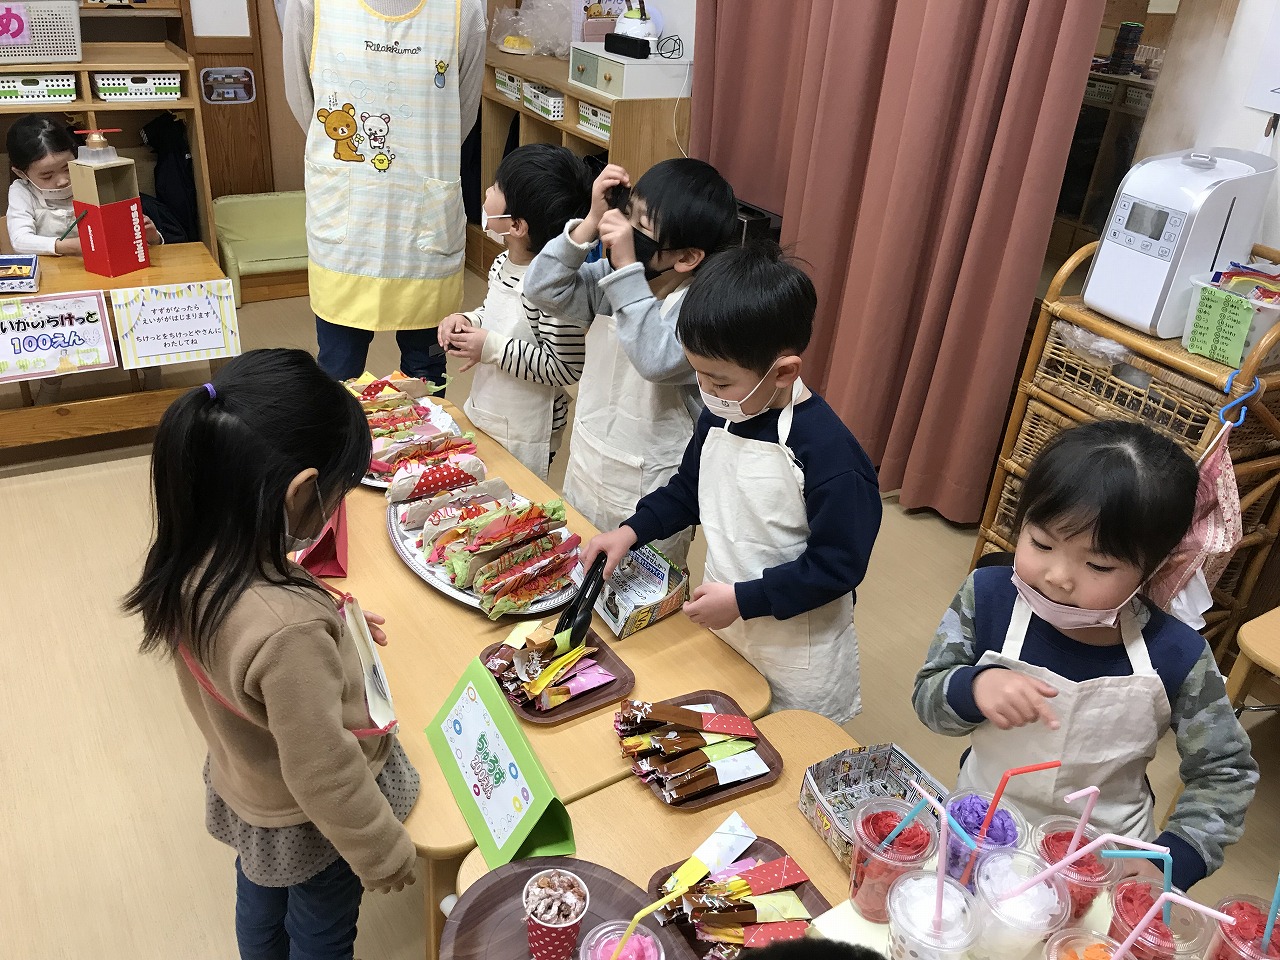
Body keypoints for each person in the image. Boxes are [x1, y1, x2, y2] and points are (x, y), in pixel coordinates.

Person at [124, 349, 419, 958]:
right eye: (336, 494)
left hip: (249, 789)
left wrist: (335, 624)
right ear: (301, 492)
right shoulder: (288, 633)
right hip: (308, 821)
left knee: (260, 903)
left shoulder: (194, 556)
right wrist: (383, 852)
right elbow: (325, 771)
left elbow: (249, 649)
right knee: (321, 931)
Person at [912, 420, 1257, 890]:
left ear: (1155, 567)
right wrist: (972, 687)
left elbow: (1226, 772)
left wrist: (1174, 860)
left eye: (1098, 564)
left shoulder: (1177, 653)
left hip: (1102, 863)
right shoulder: (987, 596)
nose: (1058, 576)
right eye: (1041, 543)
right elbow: (928, 697)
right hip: (981, 831)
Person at [584, 242, 882, 723]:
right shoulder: (723, 415)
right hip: (729, 622)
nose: (707, 392)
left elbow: (837, 566)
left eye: (720, 382)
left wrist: (745, 600)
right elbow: (688, 490)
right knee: (726, 729)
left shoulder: (830, 455)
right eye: (698, 375)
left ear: (783, 372)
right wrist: (631, 531)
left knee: (787, 746)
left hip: (796, 648)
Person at [523, 158, 738, 569]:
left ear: (686, 257)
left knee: (640, 592)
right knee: (574, 568)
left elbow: (654, 359)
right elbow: (540, 287)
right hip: (590, 460)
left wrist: (626, 270)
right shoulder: (611, 278)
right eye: (627, 213)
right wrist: (590, 221)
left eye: (640, 226)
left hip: (653, 493)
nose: (621, 229)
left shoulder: (702, 313)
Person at [283, 0, 486, 386]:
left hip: (425, 224)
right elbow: (303, 101)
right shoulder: (310, 4)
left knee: (427, 369)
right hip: (347, 224)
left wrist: (421, 155)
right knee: (339, 372)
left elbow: (461, 114)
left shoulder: (464, 8)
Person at [435, 143, 592, 480]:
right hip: (488, 407)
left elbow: (565, 368)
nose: (487, 192)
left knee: (514, 498)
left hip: (527, 428)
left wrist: (490, 347)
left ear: (517, 226)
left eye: (496, 188)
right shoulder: (503, 262)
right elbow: (494, 313)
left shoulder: (554, 291)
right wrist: (468, 322)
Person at [6, 114, 162, 256]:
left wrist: (152, 238)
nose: (63, 181)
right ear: (21, 173)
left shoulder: (92, 175)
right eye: (47, 176)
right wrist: (74, 246)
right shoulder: (22, 191)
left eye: (67, 168)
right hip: (53, 273)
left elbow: (129, 238)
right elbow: (20, 241)